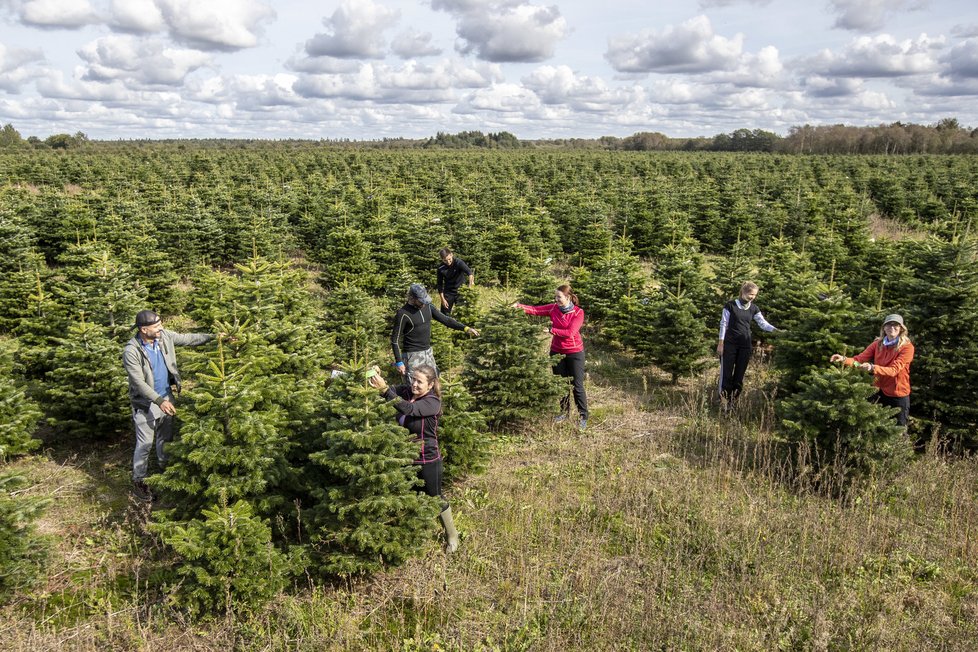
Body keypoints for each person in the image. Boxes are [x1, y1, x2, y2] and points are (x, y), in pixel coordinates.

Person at [122, 310, 214, 502]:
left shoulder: (163, 337)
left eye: (160, 325)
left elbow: (189, 338)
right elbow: (139, 383)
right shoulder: (132, 351)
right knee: (145, 444)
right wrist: (159, 401)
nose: (160, 329)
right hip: (146, 402)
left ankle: (166, 471)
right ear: (143, 329)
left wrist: (215, 337)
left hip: (166, 397)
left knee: (165, 437)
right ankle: (139, 481)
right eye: (156, 327)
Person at [368, 364, 459, 553]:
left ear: (431, 384)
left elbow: (408, 409)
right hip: (404, 456)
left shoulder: (432, 402)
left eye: (419, 381)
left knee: (435, 496)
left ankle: (452, 535)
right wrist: (375, 375)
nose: (414, 384)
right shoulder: (407, 391)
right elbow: (389, 390)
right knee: (408, 495)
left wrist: (385, 390)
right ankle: (413, 533)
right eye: (413, 379)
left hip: (427, 458)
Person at [513, 284, 588, 429]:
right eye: (556, 297)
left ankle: (583, 416)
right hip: (556, 352)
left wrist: (550, 330)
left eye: (559, 297)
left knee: (577, 386)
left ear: (567, 297)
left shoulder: (578, 313)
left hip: (574, 353)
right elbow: (535, 310)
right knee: (560, 385)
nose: (556, 299)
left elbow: (570, 333)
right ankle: (564, 412)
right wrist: (518, 306)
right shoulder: (554, 308)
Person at [830, 314, 914, 426]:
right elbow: (858, 360)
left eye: (895, 325)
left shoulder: (907, 347)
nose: (891, 327)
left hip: (897, 394)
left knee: (899, 429)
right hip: (877, 390)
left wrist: (872, 367)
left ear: (901, 328)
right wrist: (844, 359)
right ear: (884, 328)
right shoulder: (877, 344)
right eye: (888, 324)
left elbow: (894, 370)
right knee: (871, 425)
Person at [391, 283, 479, 379]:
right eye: (421, 301)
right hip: (412, 356)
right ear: (412, 298)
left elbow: (446, 320)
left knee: (434, 381)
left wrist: (465, 328)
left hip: (428, 353)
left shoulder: (428, 307)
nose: (424, 304)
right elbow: (394, 340)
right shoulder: (403, 314)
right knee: (415, 386)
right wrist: (399, 362)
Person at [717, 281, 777, 407]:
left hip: (745, 346)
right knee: (726, 375)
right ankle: (724, 402)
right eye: (750, 294)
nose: (752, 297)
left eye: (755, 295)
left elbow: (763, 324)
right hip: (729, 345)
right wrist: (721, 343)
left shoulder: (754, 308)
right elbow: (723, 324)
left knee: (739, 376)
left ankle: (733, 402)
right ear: (743, 292)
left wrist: (776, 330)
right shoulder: (730, 305)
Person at [436, 248, 474, 315]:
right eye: (445, 261)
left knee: (462, 313)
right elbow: (439, 284)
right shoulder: (440, 268)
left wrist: (470, 285)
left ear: (451, 255)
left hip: (461, 291)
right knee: (444, 314)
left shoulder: (458, 262)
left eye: (449, 259)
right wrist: (442, 299)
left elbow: (469, 273)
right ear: (442, 259)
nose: (448, 262)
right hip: (448, 292)